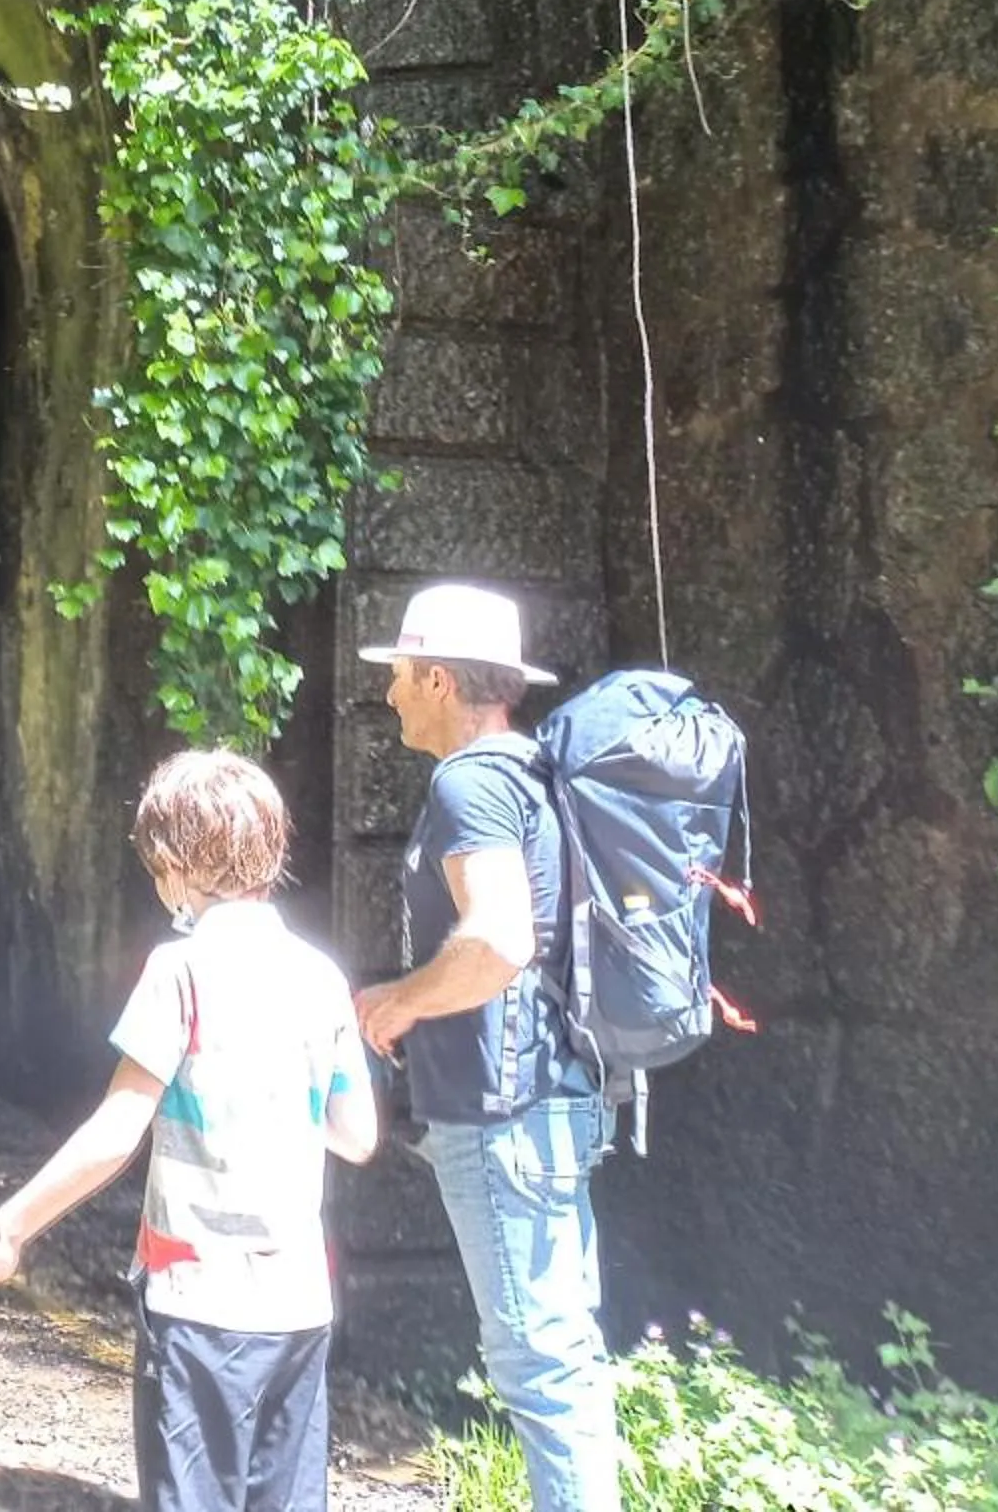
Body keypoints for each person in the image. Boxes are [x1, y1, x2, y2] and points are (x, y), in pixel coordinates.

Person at [0, 749, 377, 1512]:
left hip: (200, 1306)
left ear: (181, 866)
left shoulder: (180, 969)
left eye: (158, 866)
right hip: (299, 1307)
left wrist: (7, 1228)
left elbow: (119, 1130)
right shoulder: (320, 977)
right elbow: (357, 1135)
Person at [352, 582, 617, 1512]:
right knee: (564, 1357)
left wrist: (395, 1002)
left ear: (436, 679)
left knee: (541, 1368)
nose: (388, 696)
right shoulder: (529, 773)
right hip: (546, 1104)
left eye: (397, 677)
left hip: (505, 1117)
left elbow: (499, 940)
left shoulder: (471, 781)